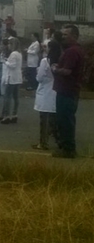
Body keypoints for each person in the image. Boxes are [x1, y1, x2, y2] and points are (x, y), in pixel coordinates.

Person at [51, 25, 85, 158]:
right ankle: (67, 147)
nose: (63, 37)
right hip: (69, 91)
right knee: (66, 119)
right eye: (63, 34)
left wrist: (55, 69)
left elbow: (67, 71)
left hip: (67, 91)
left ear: (74, 36)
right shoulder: (75, 50)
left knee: (65, 120)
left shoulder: (72, 51)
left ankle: (68, 149)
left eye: (66, 35)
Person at [32, 41, 61, 150]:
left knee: (44, 120)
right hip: (56, 91)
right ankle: (59, 142)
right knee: (54, 120)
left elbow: (39, 78)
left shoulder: (45, 61)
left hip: (45, 92)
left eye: (47, 47)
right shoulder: (60, 60)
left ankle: (43, 143)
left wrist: (38, 71)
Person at [0, 37, 23, 124]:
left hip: (11, 77)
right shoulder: (19, 53)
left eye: (10, 44)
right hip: (17, 77)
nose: (8, 45)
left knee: (7, 97)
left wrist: (5, 61)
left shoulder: (13, 54)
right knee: (16, 97)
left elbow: (12, 65)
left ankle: (6, 116)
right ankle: (14, 114)